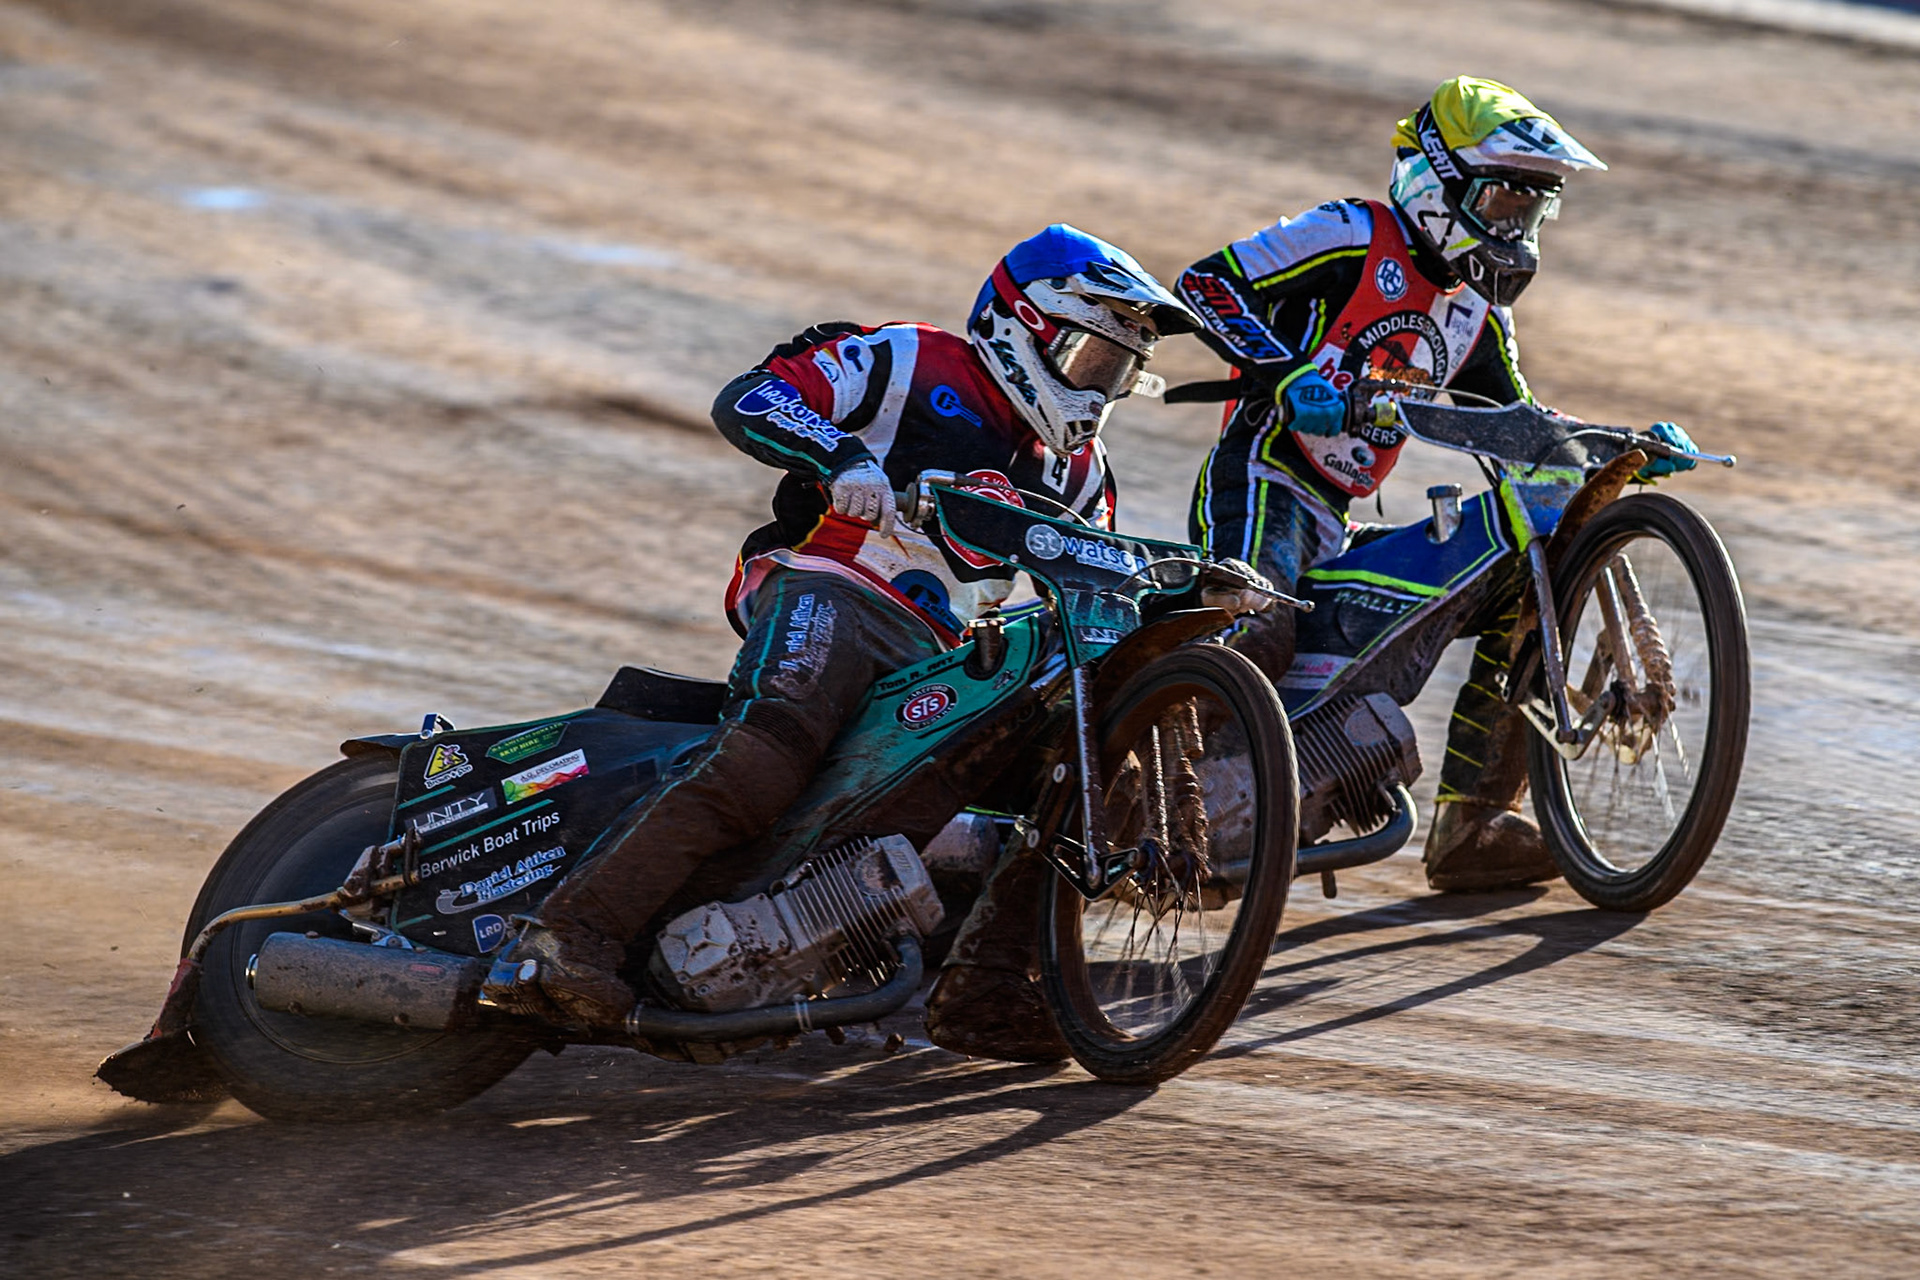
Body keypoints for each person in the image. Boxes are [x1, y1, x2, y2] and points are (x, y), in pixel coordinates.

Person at [485, 225, 1205, 1059]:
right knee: (763, 762)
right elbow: (753, 395)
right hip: (834, 585)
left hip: (950, 660)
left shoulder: (1083, 475)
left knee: (1074, 787)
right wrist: (839, 456)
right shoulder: (911, 360)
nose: (1096, 389)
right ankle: (564, 942)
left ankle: (988, 991)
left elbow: (1091, 592)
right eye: (1088, 358)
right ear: (1025, 325)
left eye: (1116, 373)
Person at [1174, 75, 1698, 891]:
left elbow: (1518, 425)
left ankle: (1472, 821)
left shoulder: (1480, 314)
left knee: (1532, 579)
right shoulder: (1351, 233)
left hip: (1340, 509)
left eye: (1532, 212)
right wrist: (1282, 375)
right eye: (1500, 204)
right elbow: (1206, 284)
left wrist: (1615, 447)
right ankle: (1155, 805)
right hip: (1266, 477)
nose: (1513, 231)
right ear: (1435, 183)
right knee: (1260, 633)